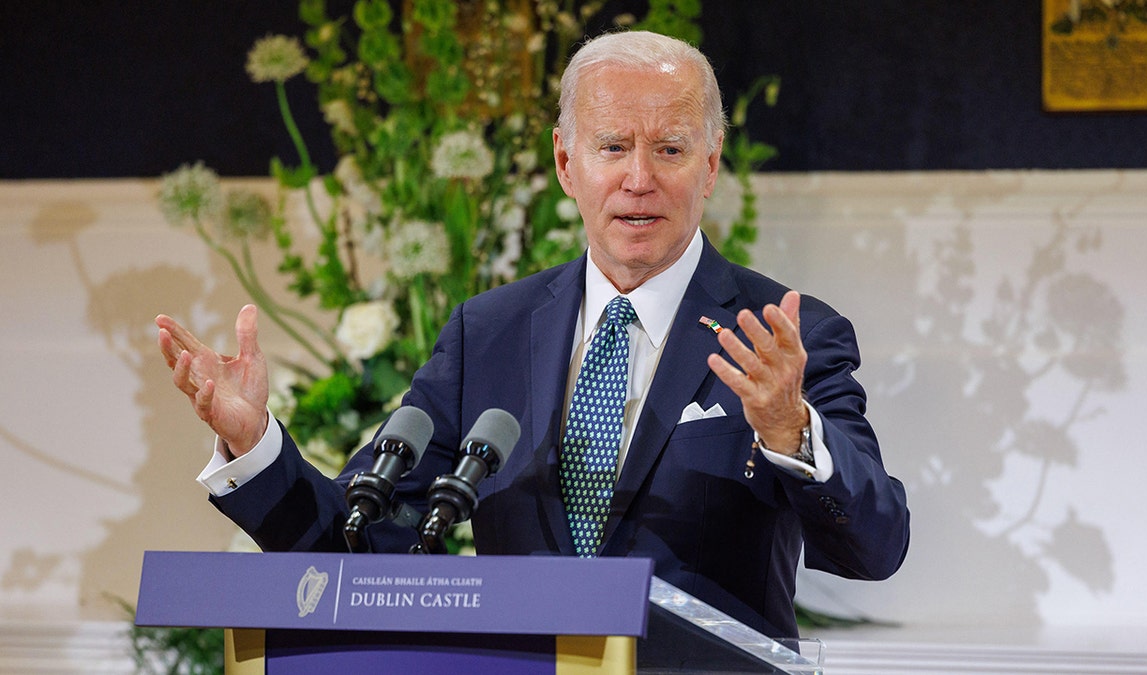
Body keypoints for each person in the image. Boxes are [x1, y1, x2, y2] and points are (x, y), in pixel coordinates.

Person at [155, 30, 909, 639]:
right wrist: (254, 445)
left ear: (710, 167)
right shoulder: (489, 331)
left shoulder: (785, 335)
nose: (639, 178)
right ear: (565, 162)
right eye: (612, 147)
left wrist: (790, 428)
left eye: (671, 150)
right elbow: (355, 548)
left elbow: (874, 547)